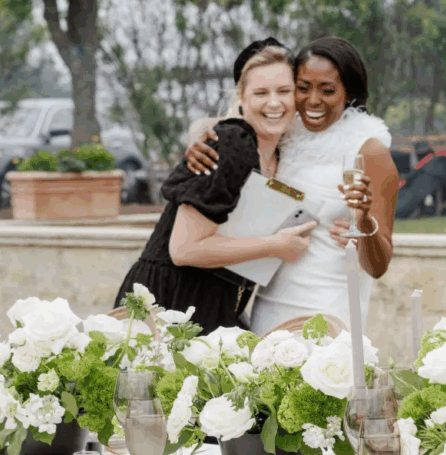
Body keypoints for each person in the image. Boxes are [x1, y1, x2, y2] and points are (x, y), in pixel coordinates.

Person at [184, 35, 399, 334]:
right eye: (303, 88)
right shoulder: (286, 135)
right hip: (268, 302)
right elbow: (237, 127)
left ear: (348, 92)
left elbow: (379, 266)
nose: (313, 101)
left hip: (330, 305)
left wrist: (362, 221)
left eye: (327, 90)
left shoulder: (370, 150)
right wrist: (199, 137)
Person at [114, 40, 316, 334]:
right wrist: (275, 246)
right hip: (171, 302)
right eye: (261, 93)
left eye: (284, 91)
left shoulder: (281, 152)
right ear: (241, 98)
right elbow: (184, 250)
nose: (275, 103)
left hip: (216, 300)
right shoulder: (233, 145)